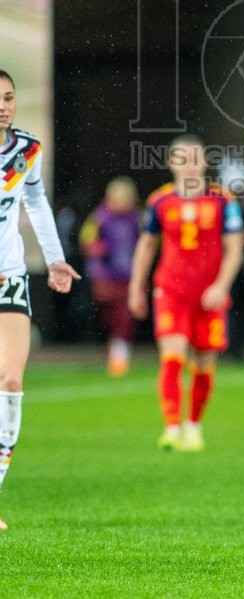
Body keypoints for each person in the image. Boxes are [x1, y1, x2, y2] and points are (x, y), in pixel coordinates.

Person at [0, 69, 81, 530]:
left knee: (10, 381)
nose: (4, 105)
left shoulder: (27, 149)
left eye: (10, 97)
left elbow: (36, 202)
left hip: (9, 278)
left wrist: (54, 260)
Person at [128, 135, 243, 452]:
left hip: (209, 294)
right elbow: (147, 245)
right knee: (173, 357)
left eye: (195, 159)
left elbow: (234, 249)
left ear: (204, 163)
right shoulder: (160, 202)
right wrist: (136, 285)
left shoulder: (223, 200)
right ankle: (171, 427)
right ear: (171, 164)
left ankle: (194, 426)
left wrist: (221, 285)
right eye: (183, 159)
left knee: (204, 362)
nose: (190, 166)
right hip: (171, 290)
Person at [80, 176, 142, 376]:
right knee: (110, 316)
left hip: (130, 276)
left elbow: (146, 243)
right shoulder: (99, 216)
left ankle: (120, 355)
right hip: (107, 276)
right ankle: (112, 350)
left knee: (125, 316)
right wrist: (98, 272)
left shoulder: (136, 217)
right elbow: (87, 241)